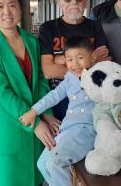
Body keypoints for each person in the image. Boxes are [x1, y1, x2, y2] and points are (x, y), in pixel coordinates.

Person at [0, 0, 57, 186]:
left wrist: (46, 113)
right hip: (9, 125)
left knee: (37, 177)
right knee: (12, 179)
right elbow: (0, 93)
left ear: (21, 9)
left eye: (12, 5)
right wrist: (36, 123)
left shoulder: (31, 41)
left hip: (37, 117)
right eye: (0, 6)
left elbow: (40, 79)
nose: (7, 12)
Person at [19, 36, 97, 186]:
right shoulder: (69, 77)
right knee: (42, 164)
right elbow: (53, 96)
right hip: (68, 130)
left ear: (92, 56)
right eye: (69, 59)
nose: (75, 64)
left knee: (55, 162)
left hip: (86, 130)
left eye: (80, 58)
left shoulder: (99, 75)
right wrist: (33, 111)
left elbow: (115, 92)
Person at [39, 0, 109, 121]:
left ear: (86, 2)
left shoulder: (95, 27)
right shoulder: (48, 28)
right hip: (59, 99)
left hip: (90, 97)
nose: (73, 2)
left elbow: (106, 65)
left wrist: (60, 60)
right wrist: (91, 59)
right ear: (60, 3)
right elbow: (47, 70)